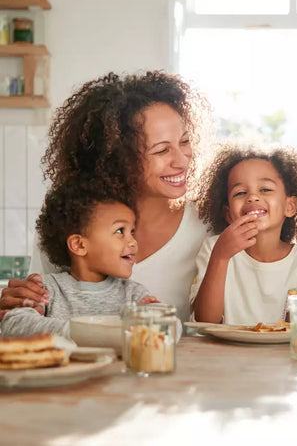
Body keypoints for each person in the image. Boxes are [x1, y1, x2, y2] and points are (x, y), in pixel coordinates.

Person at [0, 71, 210, 324]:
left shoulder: (205, 225)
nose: (182, 159)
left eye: (185, 142)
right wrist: (19, 302)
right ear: (117, 159)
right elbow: (38, 310)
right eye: (162, 150)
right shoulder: (71, 221)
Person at [1, 182, 159, 337]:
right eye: (120, 231)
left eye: (132, 231)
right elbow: (14, 323)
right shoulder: (46, 289)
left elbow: (170, 326)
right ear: (79, 245)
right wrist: (80, 332)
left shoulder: (133, 294)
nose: (133, 241)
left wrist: (152, 319)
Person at [191, 144, 297, 325]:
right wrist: (220, 258)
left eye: (265, 190)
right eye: (240, 193)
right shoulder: (214, 249)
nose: (252, 197)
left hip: (281, 353)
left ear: (290, 206)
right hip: (224, 353)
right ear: (229, 214)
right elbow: (205, 320)